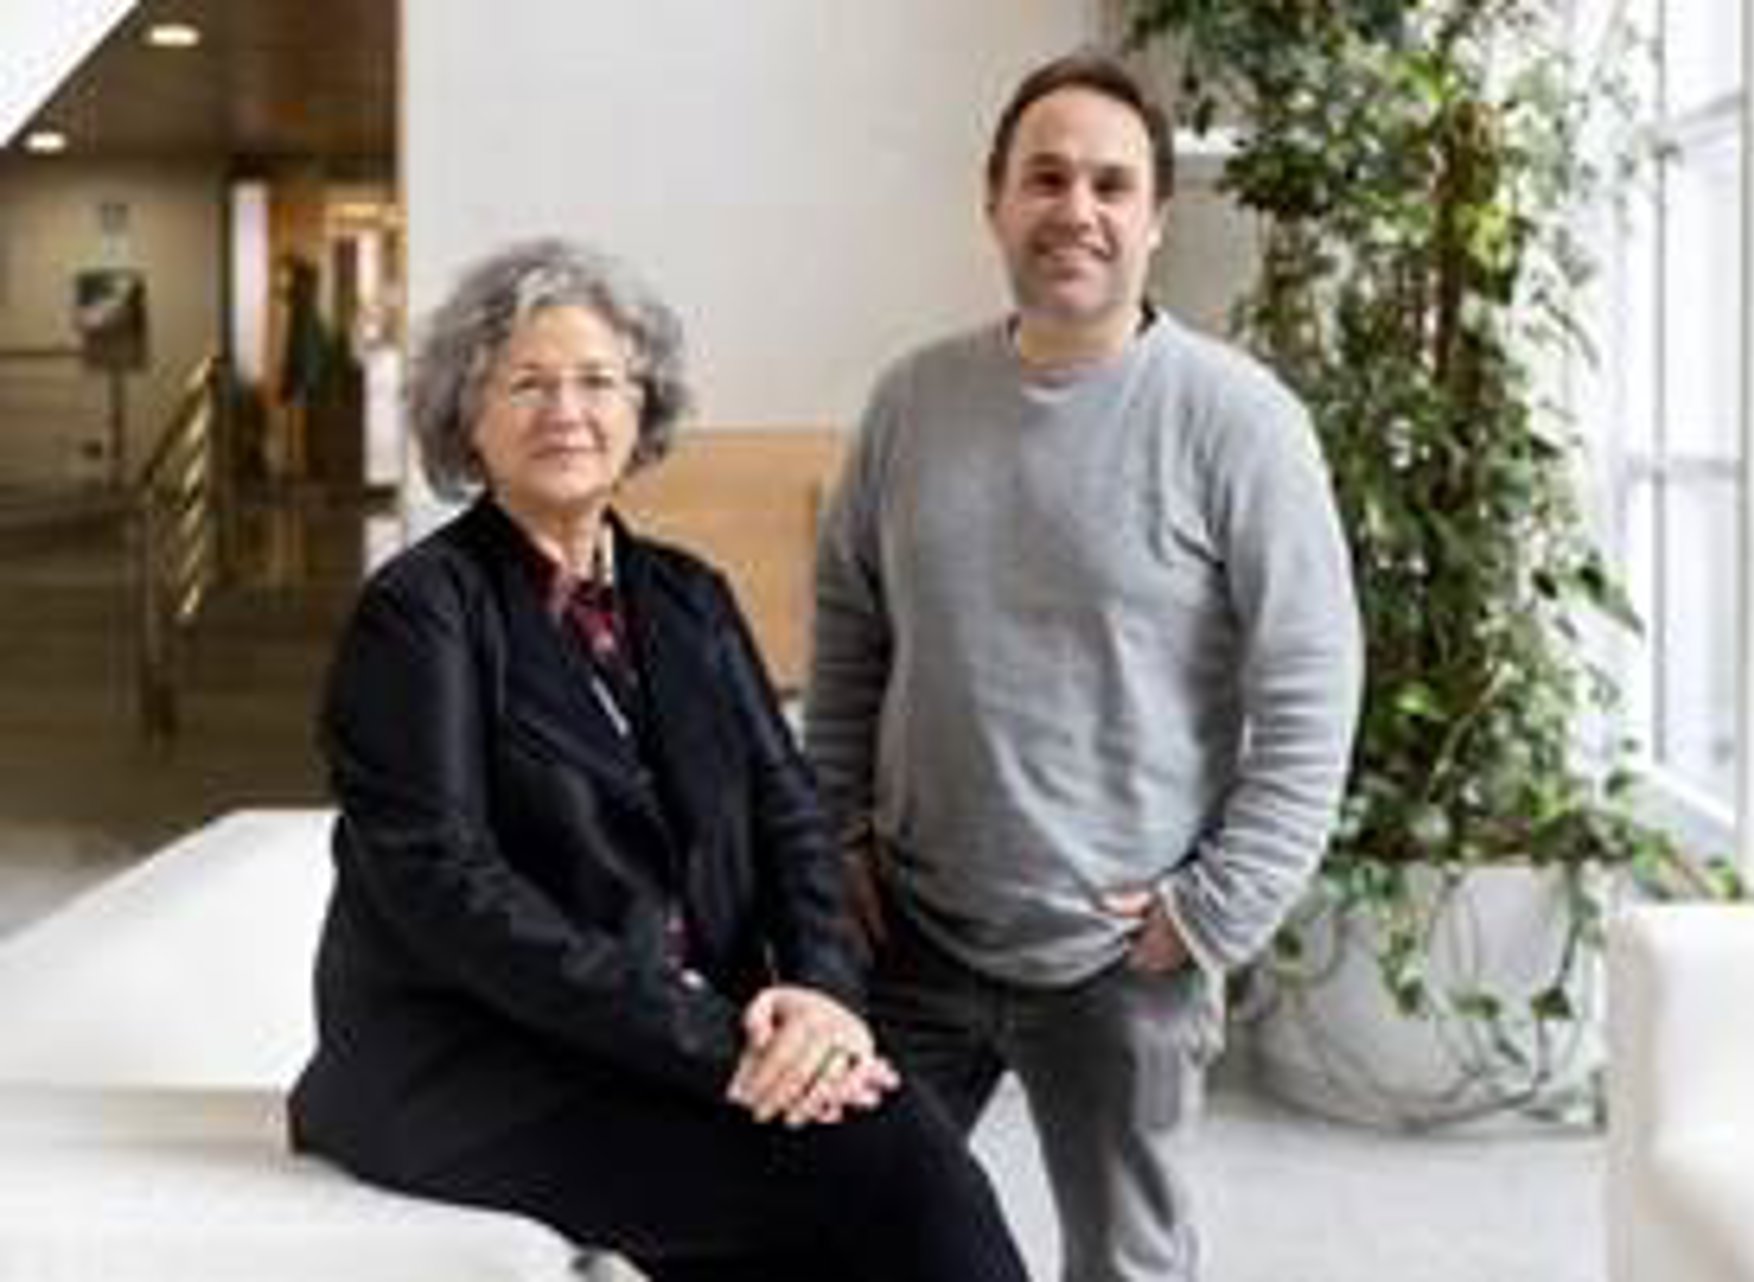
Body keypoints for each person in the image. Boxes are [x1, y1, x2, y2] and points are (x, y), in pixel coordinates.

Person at [289, 238, 1031, 1282]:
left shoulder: (688, 596)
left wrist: (823, 997)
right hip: (475, 1071)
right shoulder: (418, 613)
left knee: (863, 1171)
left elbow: (791, 822)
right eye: (528, 383)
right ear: (469, 415)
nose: (567, 411)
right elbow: (451, 892)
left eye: (598, 381)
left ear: (642, 410)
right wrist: (717, 1042)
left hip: (667, 1042)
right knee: (896, 1160)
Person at [807, 53, 1364, 1282]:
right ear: (994, 200)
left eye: (1112, 185)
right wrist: (832, 832)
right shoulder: (912, 401)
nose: (1077, 209)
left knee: (1126, 1265)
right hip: (913, 929)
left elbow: (1313, 688)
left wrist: (1215, 909)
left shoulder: (1241, 421)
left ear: (1156, 219)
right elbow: (850, 628)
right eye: (1046, 178)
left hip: (1121, 960)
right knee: (842, 1236)